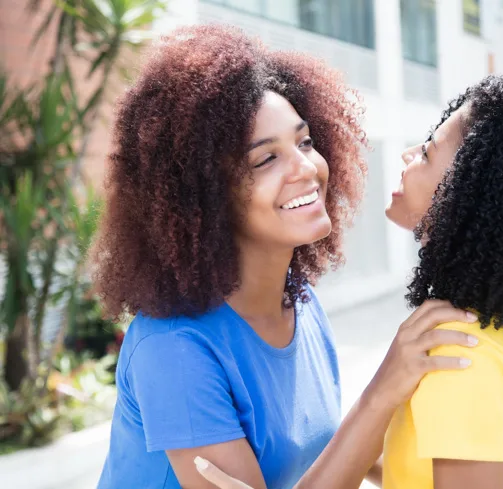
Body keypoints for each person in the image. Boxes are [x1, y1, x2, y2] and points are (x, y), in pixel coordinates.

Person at [197, 64, 503, 489]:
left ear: (467, 197)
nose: (410, 154)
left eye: (429, 151)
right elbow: (419, 463)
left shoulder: (457, 356)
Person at [92, 25, 479, 489]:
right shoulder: (174, 349)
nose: (305, 169)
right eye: (264, 160)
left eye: (305, 142)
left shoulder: (300, 303)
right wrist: (383, 388)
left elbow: (325, 452)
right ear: (203, 199)